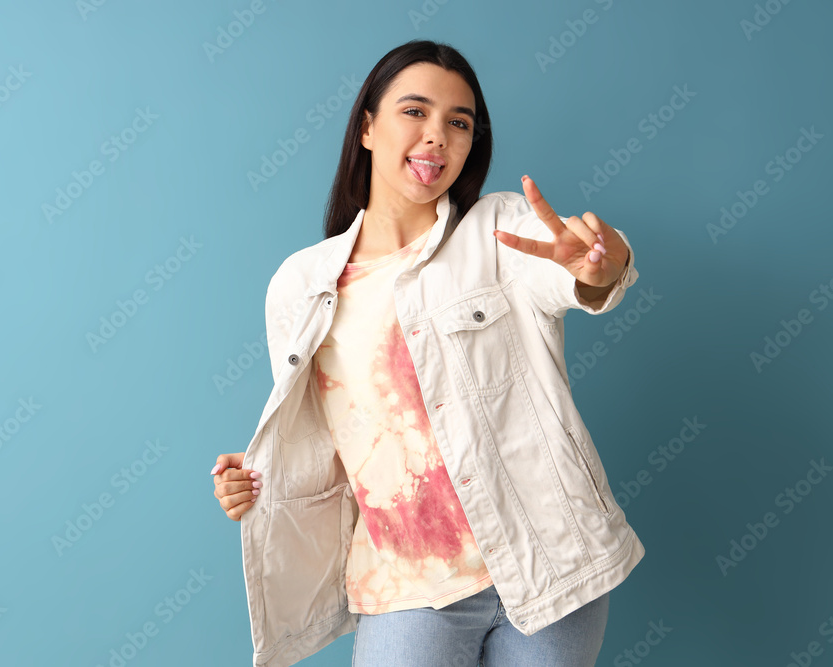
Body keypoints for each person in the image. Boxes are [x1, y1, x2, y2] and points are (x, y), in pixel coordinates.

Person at [211, 39, 645, 667]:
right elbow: (336, 442)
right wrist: (256, 477)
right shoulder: (301, 285)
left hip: (551, 563)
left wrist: (602, 262)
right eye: (414, 112)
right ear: (367, 126)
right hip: (407, 583)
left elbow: (587, 276)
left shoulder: (501, 232)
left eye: (458, 122)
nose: (436, 135)